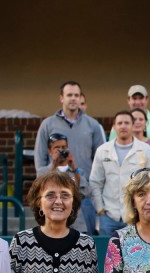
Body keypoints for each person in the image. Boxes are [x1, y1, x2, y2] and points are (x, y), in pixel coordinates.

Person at [35, 81, 106, 234]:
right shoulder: (47, 124)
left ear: (81, 98)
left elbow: (101, 160)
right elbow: (39, 159)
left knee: (85, 239)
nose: (73, 99)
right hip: (55, 194)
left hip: (83, 194)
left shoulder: (92, 125)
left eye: (76, 95)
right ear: (61, 98)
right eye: (69, 95)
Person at [90, 111, 150, 237]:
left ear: (133, 125)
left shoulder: (147, 151)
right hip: (108, 216)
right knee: (107, 255)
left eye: (127, 123)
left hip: (137, 215)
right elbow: (95, 182)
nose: (123, 126)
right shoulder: (102, 151)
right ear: (114, 127)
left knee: (135, 254)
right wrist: (100, 210)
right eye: (119, 123)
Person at [109, 85, 150, 150]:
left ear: (147, 99)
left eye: (141, 98)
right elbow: (111, 147)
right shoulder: (120, 123)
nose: (137, 102)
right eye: (134, 98)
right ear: (128, 100)